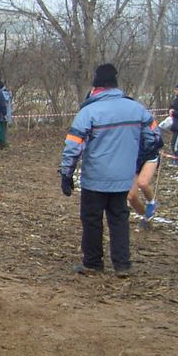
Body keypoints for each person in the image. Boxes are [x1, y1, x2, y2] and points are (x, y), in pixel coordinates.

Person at [59, 63, 161, 276]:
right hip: (123, 177)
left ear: (97, 87)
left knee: (92, 220)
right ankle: (122, 264)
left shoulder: (89, 111)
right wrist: (136, 158)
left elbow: (73, 146)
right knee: (119, 219)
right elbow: (155, 137)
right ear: (115, 84)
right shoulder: (136, 108)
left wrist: (67, 174)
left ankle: (92, 263)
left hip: (95, 177)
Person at [127, 129, 163, 228]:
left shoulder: (147, 122)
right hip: (132, 159)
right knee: (131, 196)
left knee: (142, 183)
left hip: (149, 156)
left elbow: (159, 140)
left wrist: (150, 142)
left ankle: (151, 202)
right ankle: (146, 216)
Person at [0, 79, 12, 149]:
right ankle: (3, 143)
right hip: (6, 115)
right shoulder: (7, 93)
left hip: (0, 115)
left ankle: (1, 144)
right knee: (4, 130)